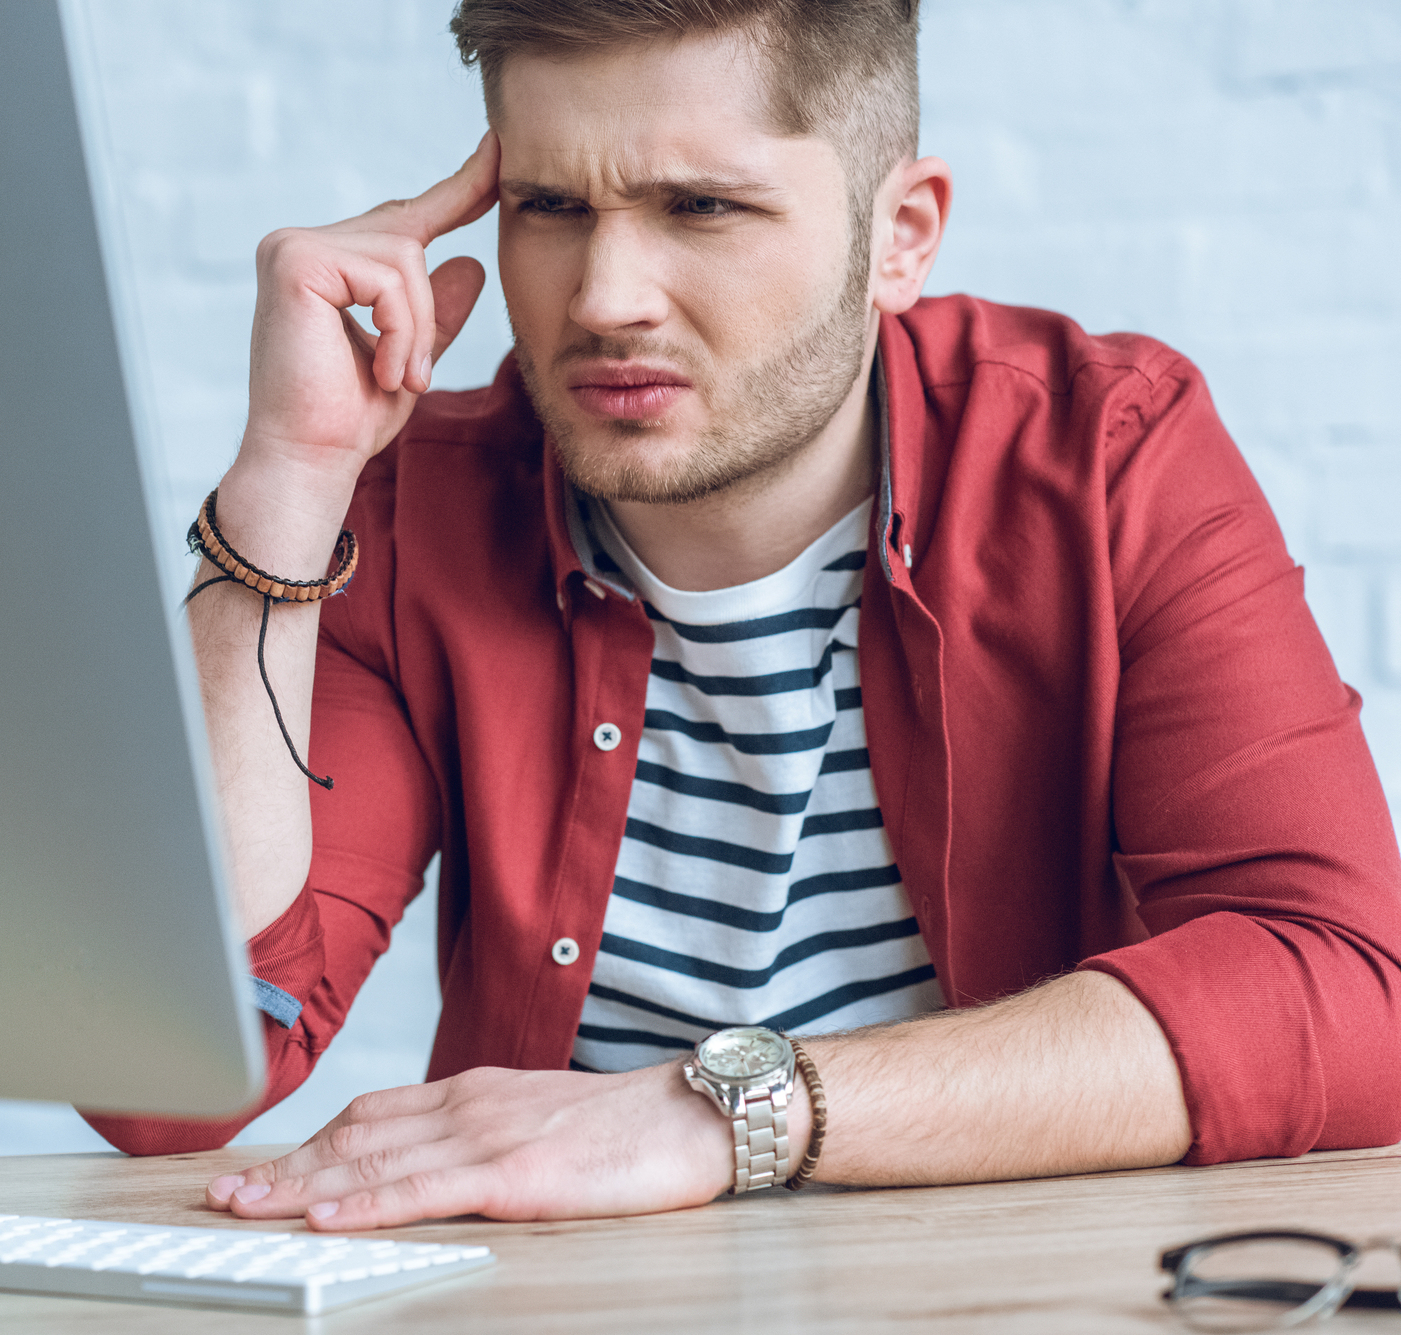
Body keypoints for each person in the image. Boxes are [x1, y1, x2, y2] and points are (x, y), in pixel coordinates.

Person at [84, 0, 1401, 1230]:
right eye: (548, 206)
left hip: (992, 1287)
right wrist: (287, 479)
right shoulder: (419, 503)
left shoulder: (1105, 454)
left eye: (700, 206)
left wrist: (719, 1109)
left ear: (903, 234)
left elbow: (1349, 990)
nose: (604, 299)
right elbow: (178, 1076)